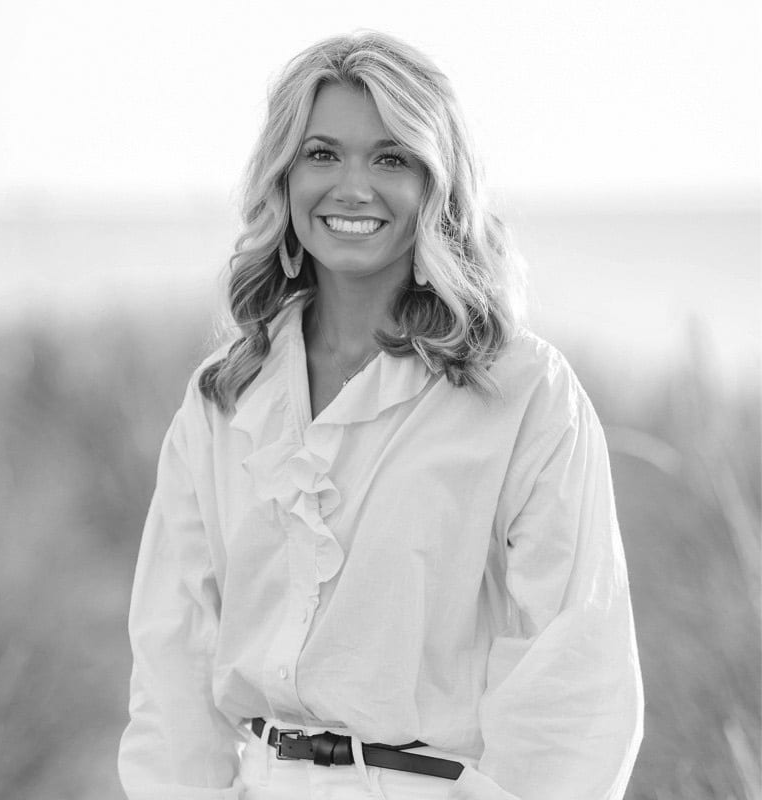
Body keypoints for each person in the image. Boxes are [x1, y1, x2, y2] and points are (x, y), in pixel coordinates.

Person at [118, 30, 643, 800]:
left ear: (439, 184)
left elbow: (576, 679)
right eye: (322, 154)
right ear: (284, 175)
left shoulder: (523, 394)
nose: (353, 188)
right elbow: (172, 663)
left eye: (392, 158)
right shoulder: (223, 399)